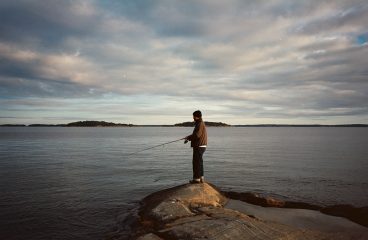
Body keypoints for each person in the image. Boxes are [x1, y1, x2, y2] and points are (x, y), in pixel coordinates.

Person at [184, 110, 207, 184]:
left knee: (196, 162)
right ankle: (201, 178)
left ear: (196, 116)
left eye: (193, 116)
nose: (193, 117)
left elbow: (197, 135)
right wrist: (189, 137)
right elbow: (196, 134)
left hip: (199, 145)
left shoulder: (200, 123)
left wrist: (189, 138)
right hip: (201, 145)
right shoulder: (200, 123)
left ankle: (196, 179)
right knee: (199, 162)